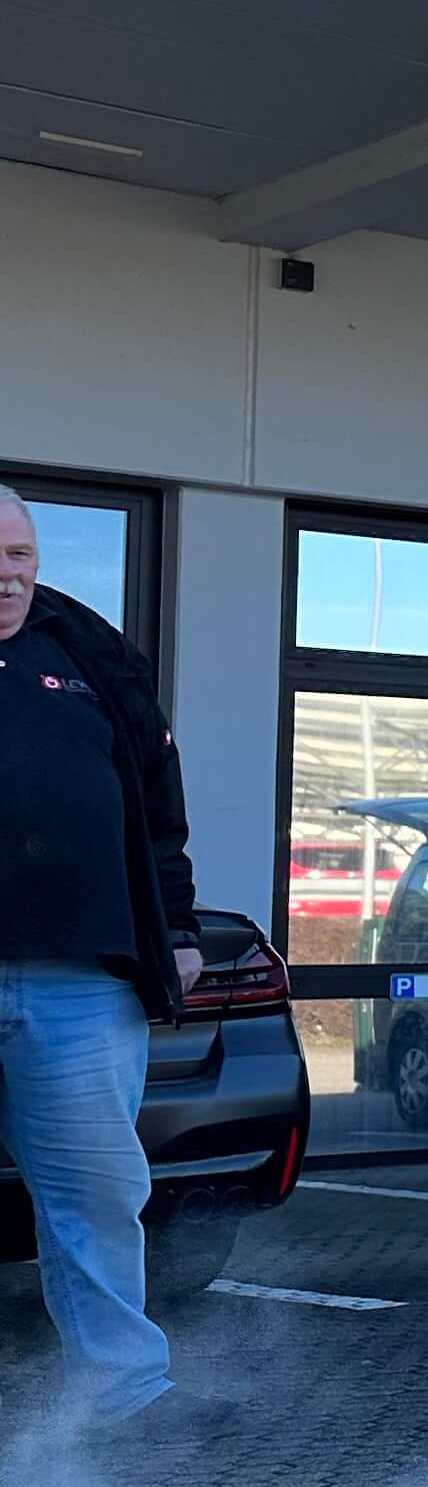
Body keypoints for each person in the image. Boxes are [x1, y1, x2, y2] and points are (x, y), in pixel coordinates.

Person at [0, 483, 204, 1429]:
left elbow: (158, 818)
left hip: (81, 982)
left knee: (96, 1197)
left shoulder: (86, 661)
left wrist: (183, 931)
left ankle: (126, 1401)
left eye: (18, 556)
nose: (6, 575)